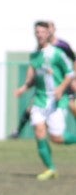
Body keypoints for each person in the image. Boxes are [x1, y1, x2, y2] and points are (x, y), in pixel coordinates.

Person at [12, 20, 76, 180]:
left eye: (42, 31)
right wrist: (23, 88)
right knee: (39, 131)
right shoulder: (35, 56)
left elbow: (70, 74)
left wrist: (61, 89)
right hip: (40, 101)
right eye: (37, 32)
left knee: (57, 138)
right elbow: (32, 78)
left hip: (55, 102)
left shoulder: (57, 53)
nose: (39, 34)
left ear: (48, 33)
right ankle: (51, 168)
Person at [11, 27, 76, 138]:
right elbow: (35, 71)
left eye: (46, 30)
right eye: (38, 32)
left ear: (52, 30)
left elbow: (72, 61)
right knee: (31, 109)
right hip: (45, 90)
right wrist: (25, 87)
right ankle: (18, 131)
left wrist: (71, 80)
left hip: (62, 86)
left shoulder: (62, 46)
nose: (41, 34)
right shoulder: (39, 50)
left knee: (72, 108)